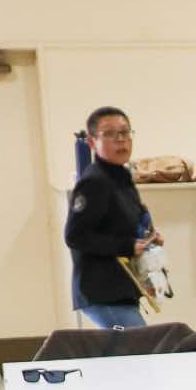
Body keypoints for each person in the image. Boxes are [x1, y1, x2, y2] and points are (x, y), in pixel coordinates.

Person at [65, 106, 158, 330]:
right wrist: (127, 245)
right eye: (109, 134)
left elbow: (127, 222)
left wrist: (149, 237)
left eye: (125, 132)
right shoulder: (94, 182)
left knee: (131, 349)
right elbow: (75, 236)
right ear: (91, 142)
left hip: (123, 287)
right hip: (102, 292)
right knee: (141, 347)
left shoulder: (121, 176)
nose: (120, 140)